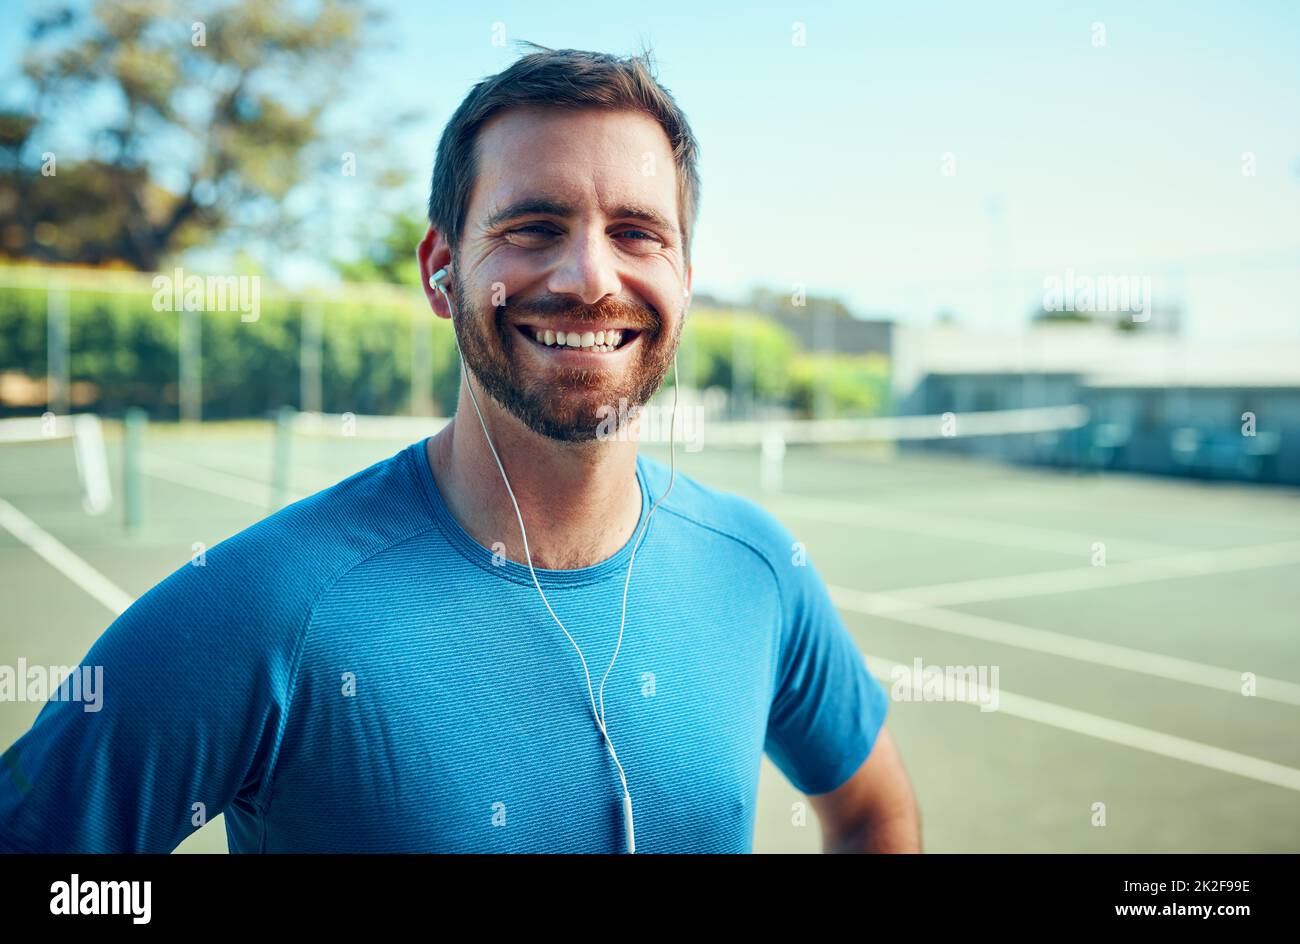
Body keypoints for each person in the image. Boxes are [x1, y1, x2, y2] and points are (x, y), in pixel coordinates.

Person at [0, 43, 920, 854]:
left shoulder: (757, 570)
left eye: (637, 233)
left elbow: (873, 816)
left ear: (682, 276)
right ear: (443, 272)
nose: (590, 277)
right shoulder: (258, 609)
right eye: (533, 228)